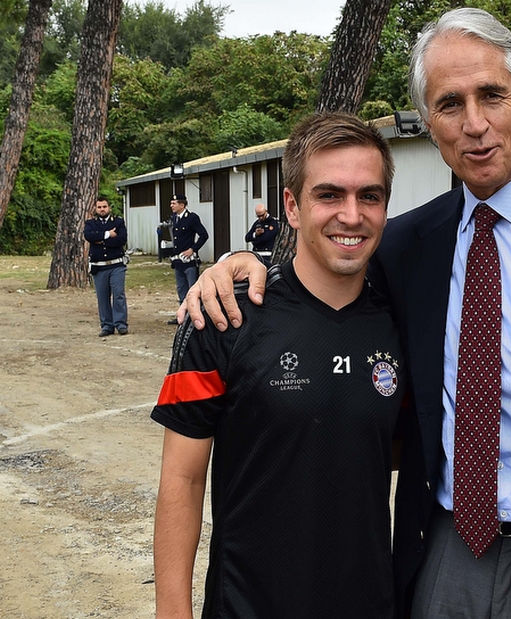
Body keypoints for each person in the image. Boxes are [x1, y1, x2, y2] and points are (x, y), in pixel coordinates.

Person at [183, 8, 511, 619]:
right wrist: (240, 262)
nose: (475, 124)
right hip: (441, 552)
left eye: (492, 95)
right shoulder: (405, 247)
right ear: (429, 124)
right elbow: (323, 268)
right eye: (450, 104)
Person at [151, 112, 405, 618]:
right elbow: (182, 481)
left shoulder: (405, 322)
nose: (351, 215)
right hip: (248, 604)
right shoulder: (222, 317)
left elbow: (390, 449)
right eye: (329, 195)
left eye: (369, 196)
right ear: (292, 205)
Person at [84, 196, 128, 337]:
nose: (102, 209)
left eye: (104, 207)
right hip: (99, 266)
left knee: (118, 294)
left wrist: (101, 240)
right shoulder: (91, 223)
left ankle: (121, 324)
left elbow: (121, 239)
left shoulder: (118, 222)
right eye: (99, 207)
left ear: (109, 207)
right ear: (96, 209)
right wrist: (109, 234)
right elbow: (89, 236)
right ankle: (107, 326)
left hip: (116, 265)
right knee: (102, 297)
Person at [166, 194, 208, 324]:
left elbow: (204, 235)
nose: (171, 206)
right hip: (178, 260)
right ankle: (182, 315)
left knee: (192, 289)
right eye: (171, 203)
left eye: (174, 203)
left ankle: (194, 315)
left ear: (182, 205)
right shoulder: (174, 218)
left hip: (189, 261)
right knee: (181, 289)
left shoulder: (192, 218)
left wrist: (193, 249)